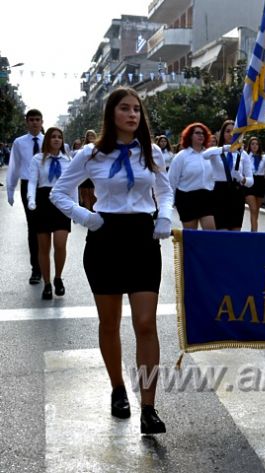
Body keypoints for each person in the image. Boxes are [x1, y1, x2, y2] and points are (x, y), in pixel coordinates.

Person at [50, 87, 172, 434]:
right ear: (111, 113)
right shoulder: (90, 154)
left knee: (146, 323)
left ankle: (149, 407)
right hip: (105, 238)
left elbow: (164, 191)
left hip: (142, 238)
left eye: (137, 109)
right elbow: (60, 192)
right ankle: (118, 389)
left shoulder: (152, 151)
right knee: (110, 322)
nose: (133, 114)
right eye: (125, 108)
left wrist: (164, 216)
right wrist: (85, 216)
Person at [27, 127, 73, 300]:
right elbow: (32, 182)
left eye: (59, 137)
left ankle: (58, 278)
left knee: (60, 244)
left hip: (61, 202)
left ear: (62, 140)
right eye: (53, 137)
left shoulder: (68, 160)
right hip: (43, 201)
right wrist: (31, 199)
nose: (56, 140)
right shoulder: (37, 159)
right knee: (44, 247)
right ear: (47, 140)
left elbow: (72, 183)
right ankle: (46, 284)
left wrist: (75, 207)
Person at [6, 109, 44, 284]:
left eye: (37, 119)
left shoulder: (49, 140)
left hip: (46, 187)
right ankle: (35, 269)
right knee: (33, 227)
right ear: (26, 122)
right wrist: (10, 189)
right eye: (31, 120)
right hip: (27, 185)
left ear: (42, 121)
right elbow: (14, 166)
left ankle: (46, 265)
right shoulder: (19, 143)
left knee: (45, 229)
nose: (35, 123)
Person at [168, 123, 219, 230]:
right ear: (190, 136)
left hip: (206, 197)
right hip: (187, 198)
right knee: (191, 236)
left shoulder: (209, 155)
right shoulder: (181, 156)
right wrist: (169, 205)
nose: (201, 135)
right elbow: (172, 180)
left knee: (211, 234)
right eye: (197, 133)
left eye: (203, 133)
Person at [207, 120, 253, 231]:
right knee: (222, 232)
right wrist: (224, 149)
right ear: (222, 133)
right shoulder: (216, 151)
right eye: (227, 131)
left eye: (234, 131)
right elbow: (204, 155)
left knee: (235, 233)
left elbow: (251, 181)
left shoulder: (243, 154)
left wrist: (241, 178)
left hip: (236, 193)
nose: (231, 134)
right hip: (219, 193)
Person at [243, 136, 265, 231]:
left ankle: (254, 230)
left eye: (256, 144)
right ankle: (254, 233)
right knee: (253, 208)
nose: (254, 146)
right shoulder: (246, 156)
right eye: (252, 144)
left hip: (260, 182)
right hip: (250, 182)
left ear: (259, 146)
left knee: (256, 210)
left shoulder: (263, 157)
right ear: (249, 145)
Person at [78, 129, 98, 211]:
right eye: (89, 135)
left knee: (93, 195)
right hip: (85, 174)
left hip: (94, 174)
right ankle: (88, 214)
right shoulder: (83, 149)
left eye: (92, 135)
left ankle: (93, 212)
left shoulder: (98, 147)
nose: (90, 137)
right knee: (85, 194)